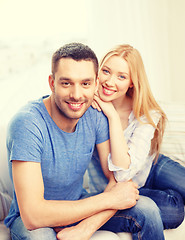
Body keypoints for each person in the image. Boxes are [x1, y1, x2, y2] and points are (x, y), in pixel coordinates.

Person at [4, 42, 139, 240]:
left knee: (147, 209)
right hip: (34, 220)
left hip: (79, 204)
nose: (76, 95)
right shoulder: (27, 123)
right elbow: (33, 215)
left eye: (85, 84)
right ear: (52, 83)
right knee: (40, 236)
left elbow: (118, 178)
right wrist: (110, 199)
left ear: (95, 83)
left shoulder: (94, 114)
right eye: (66, 83)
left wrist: (86, 227)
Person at [86, 44, 185, 238]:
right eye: (106, 71)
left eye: (121, 76)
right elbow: (122, 175)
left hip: (152, 165)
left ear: (132, 82)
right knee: (174, 210)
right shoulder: (92, 110)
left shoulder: (146, 112)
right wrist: (112, 116)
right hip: (124, 184)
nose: (109, 81)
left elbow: (136, 162)